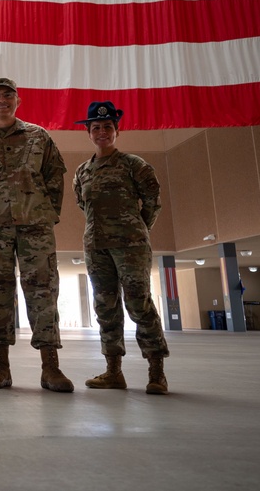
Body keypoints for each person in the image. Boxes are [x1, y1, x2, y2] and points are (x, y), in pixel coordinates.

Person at [0, 77, 73, 392]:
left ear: (17, 100)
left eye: (7, 96)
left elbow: (55, 177)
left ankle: (51, 367)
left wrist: (44, 212)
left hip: (35, 227)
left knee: (43, 292)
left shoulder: (39, 137)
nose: (1, 101)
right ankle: (0, 365)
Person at [73, 101, 169, 394]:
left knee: (139, 304)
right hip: (96, 247)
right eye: (96, 128)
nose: (102, 132)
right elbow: (82, 205)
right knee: (105, 307)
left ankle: (156, 372)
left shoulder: (134, 165)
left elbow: (152, 202)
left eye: (108, 127)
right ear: (89, 132)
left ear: (117, 130)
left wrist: (138, 230)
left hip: (131, 247)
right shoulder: (83, 171)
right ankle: (113, 370)